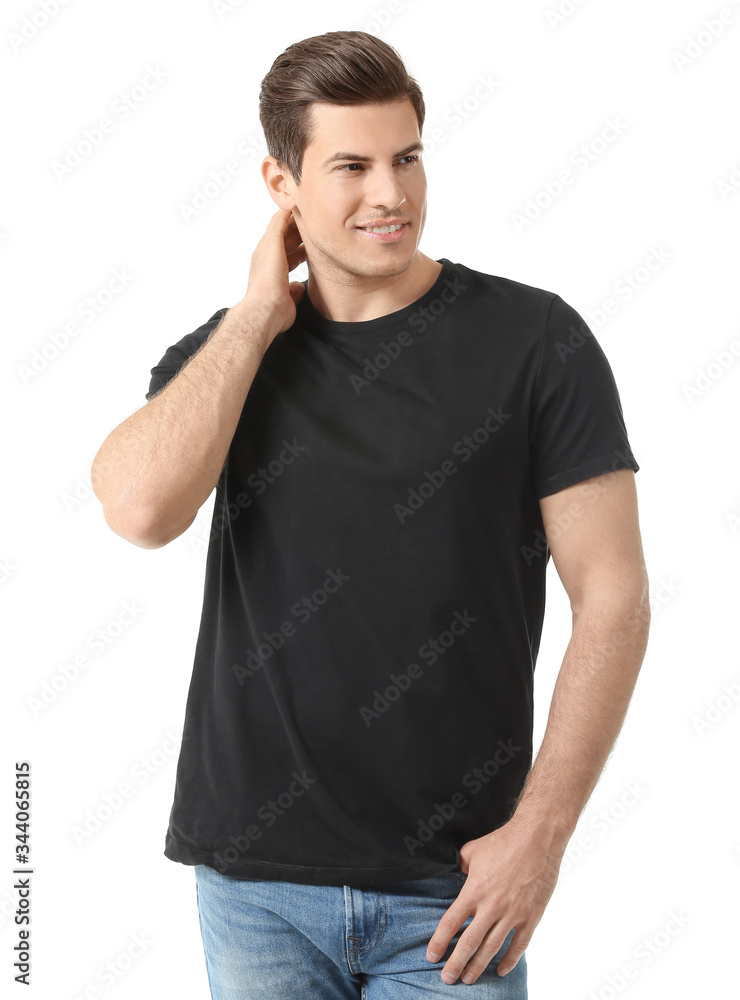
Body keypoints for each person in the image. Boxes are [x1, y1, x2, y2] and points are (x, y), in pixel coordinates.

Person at [91, 29, 650, 1000]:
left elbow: (612, 595)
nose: (388, 194)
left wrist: (541, 835)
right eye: (349, 166)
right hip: (253, 885)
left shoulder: (534, 342)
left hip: (453, 892)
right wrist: (259, 317)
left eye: (406, 158)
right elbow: (137, 508)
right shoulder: (228, 356)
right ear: (281, 182)